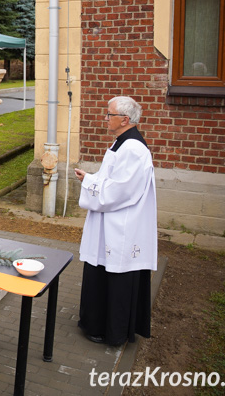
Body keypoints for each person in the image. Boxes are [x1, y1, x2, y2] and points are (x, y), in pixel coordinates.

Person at [74, 96, 157, 347]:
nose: (105, 118)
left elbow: (119, 191)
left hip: (122, 227)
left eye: (109, 114)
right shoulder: (121, 143)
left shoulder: (133, 149)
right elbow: (111, 179)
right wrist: (91, 178)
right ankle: (96, 323)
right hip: (111, 224)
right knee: (102, 271)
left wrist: (89, 181)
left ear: (124, 119)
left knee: (116, 275)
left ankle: (113, 331)